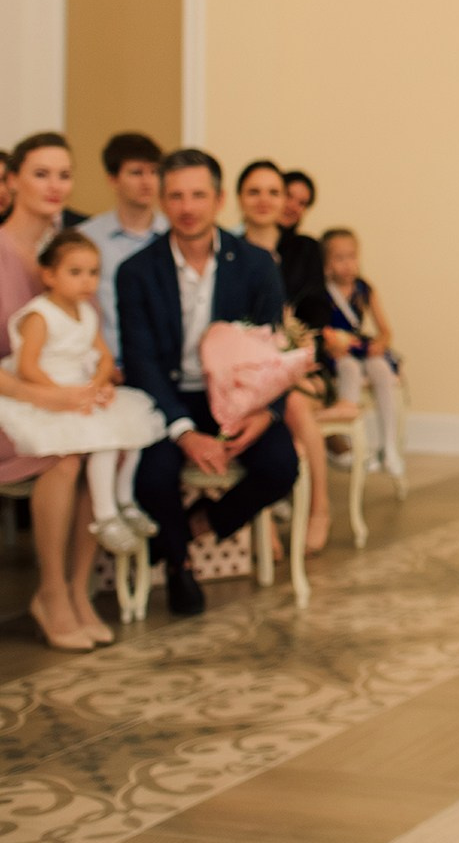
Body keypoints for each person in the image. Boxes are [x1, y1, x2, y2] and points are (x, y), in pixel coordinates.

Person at [120, 149, 299, 617]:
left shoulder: (257, 264)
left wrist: (265, 413)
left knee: (281, 464)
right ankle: (179, 566)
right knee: (152, 474)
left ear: (219, 200)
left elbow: (274, 352)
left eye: (198, 194)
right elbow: (140, 363)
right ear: (162, 200)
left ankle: (194, 528)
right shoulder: (136, 272)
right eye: (176, 196)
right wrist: (185, 431)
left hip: (238, 399)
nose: (187, 206)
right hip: (166, 398)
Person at [0, 133, 111, 651]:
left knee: (99, 449)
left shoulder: (70, 251)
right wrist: (38, 396)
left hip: (64, 394)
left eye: (63, 174)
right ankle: (49, 591)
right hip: (11, 396)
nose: (54, 185)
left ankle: (78, 587)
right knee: (65, 459)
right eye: (41, 173)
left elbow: (91, 334)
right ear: (13, 179)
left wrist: (98, 380)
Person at [0, 230, 166, 555]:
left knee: (131, 435)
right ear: (48, 274)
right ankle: (104, 516)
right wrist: (60, 393)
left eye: (93, 273)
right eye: (75, 272)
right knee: (101, 441)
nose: (87, 282)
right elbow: (27, 367)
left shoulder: (86, 312)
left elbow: (103, 356)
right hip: (50, 394)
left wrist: (100, 384)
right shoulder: (40, 315)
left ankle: (124, 499)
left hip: (81, 391)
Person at [235, 160, 333, 550]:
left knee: (290, 403)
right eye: (254, 192)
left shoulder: (304, 249)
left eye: (273, 193)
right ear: (238, 198)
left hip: (301, 364)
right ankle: (263, 521)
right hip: (244, 369)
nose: (264, 201)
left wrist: (299, 357)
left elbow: (317, 312)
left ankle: (320, 508)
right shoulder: (227, 249)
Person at [316, 227, 404, 478]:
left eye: (352, 256)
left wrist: (380, 343)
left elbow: (385, 330)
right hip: (339, 355)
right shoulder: (322, 292)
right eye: (339, 258)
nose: (347, 264)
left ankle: (388, 445)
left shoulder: (364, 289)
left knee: (381, 369)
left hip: (361, 348)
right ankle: (348, 440)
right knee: (349, 368)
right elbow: (319, 331)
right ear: (326, 263)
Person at [78, 132, 170, 362]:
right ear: (113, 179)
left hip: (165, 363)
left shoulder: (175, 234)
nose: (147, 182)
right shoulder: (86, 238)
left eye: (154, 172)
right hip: (106, 361)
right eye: (136, 172)